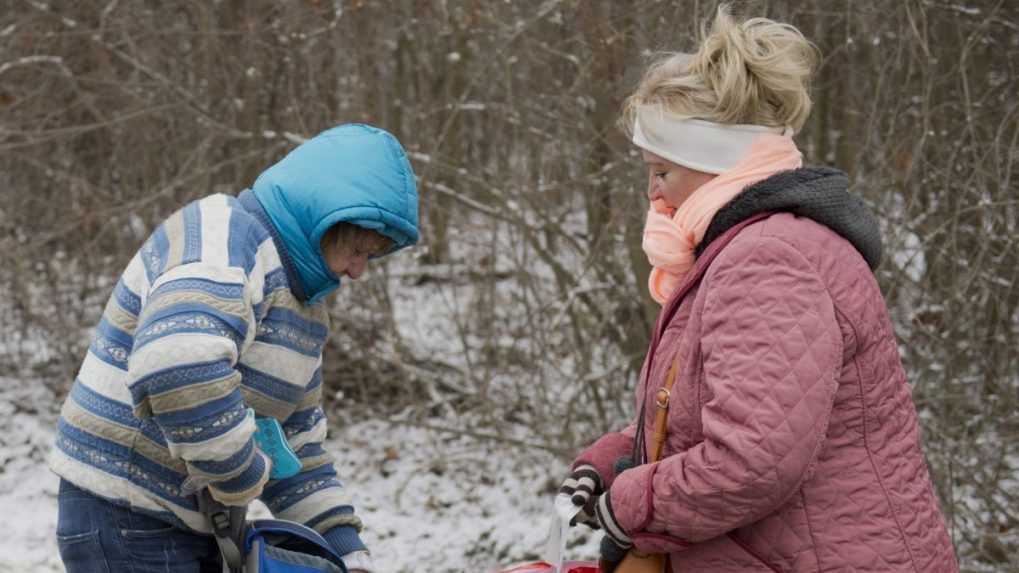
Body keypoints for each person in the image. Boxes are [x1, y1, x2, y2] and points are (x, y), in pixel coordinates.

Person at [559, 6, 958, 572]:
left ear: (713, 163)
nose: (653, 192)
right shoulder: (745, 247)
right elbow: (709, 408)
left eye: (662, 170)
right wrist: (610, 461)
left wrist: (628, 503)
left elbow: (750, 460)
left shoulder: (769, 260)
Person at [49, 123, 419, 572]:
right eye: (357, 250)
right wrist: (240, 477)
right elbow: (176, 366)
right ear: (323, 219)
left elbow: (293, 444)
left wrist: (344, 548)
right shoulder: (224, 239)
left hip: (185, 523)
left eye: (371, 258)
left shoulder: (301, 309)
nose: (359, 271)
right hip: (127, 510)